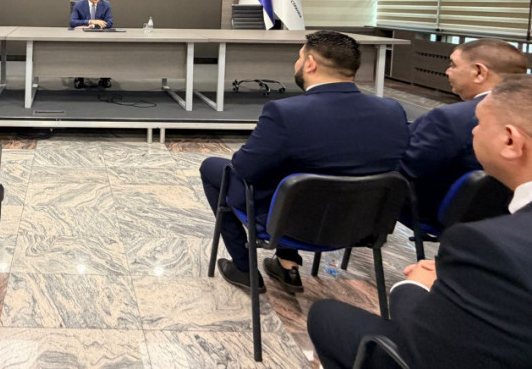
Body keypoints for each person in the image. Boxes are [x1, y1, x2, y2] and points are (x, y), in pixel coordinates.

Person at [308, 74, 532, 369]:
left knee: (326, 315)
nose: (474, 131)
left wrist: (414, 288)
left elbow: (428, 350)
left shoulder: (485, 244)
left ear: (510, 140)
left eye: (478, 123)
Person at [200, 31, 409, 293]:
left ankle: (244, 268)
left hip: (289, 223)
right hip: (362, 226)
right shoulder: (393, 111)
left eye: (299, 57)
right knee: (296, 169)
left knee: (213, 168)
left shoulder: (286, 113)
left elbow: (244, 168)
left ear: (310, 64)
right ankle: (287, 265)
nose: (296, 63)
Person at [400, 38, 527, 228]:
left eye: (453, 65)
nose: (447, 71)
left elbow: (407, 168)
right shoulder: (524, 114)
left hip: (439, 212)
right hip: (510, 216)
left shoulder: (451, 118)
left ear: (479, 72)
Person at [68, 0, 113, 89]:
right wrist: (91, 21)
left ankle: (105, 77)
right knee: (82, 51)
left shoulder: (106, 4)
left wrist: (91, 26)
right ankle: (80, 77)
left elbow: (110, 23)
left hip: (101, 37)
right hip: (83, 37)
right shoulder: (79, 5)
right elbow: (73, 22)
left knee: (106, 52)